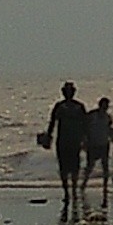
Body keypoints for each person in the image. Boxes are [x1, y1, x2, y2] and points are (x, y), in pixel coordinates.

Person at [42, 82, 87, 210]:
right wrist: (48, 137)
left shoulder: (79, 106)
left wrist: (85, 139)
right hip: (63, 140)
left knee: (74, 167)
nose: (68, 93)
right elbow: (52, 123)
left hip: (74, 140)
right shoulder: (60, 106)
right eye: (66, 91)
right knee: (64, 167)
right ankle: (67, 191)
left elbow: (85, 124)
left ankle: (73, 190)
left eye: (70, 91)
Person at [83, 95, 113, 202]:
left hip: (104, 144)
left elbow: (108, 130)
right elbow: (85, 127)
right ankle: (83, 184)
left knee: (105, 167)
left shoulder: (108, 117)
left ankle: (105, 187)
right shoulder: (92, 115)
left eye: (107, 106)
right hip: (93, 143)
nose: (105, 107)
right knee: (90, 166)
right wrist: (85, 140)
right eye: (104, 105)